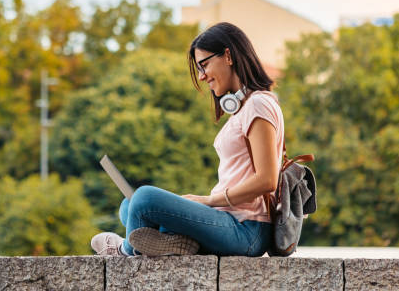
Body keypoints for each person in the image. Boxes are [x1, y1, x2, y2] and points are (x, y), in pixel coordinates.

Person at [91, 22, 283, 257]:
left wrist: (208, 201)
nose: (202, 77)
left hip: (247, 230)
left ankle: (124, 250)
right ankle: (175, 242)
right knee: (129, 206)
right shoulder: (243, 108)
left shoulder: (258, 104)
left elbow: (267, 180)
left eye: (204, 65)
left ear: (228, 56)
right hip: (227, 221)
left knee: (144, 199)